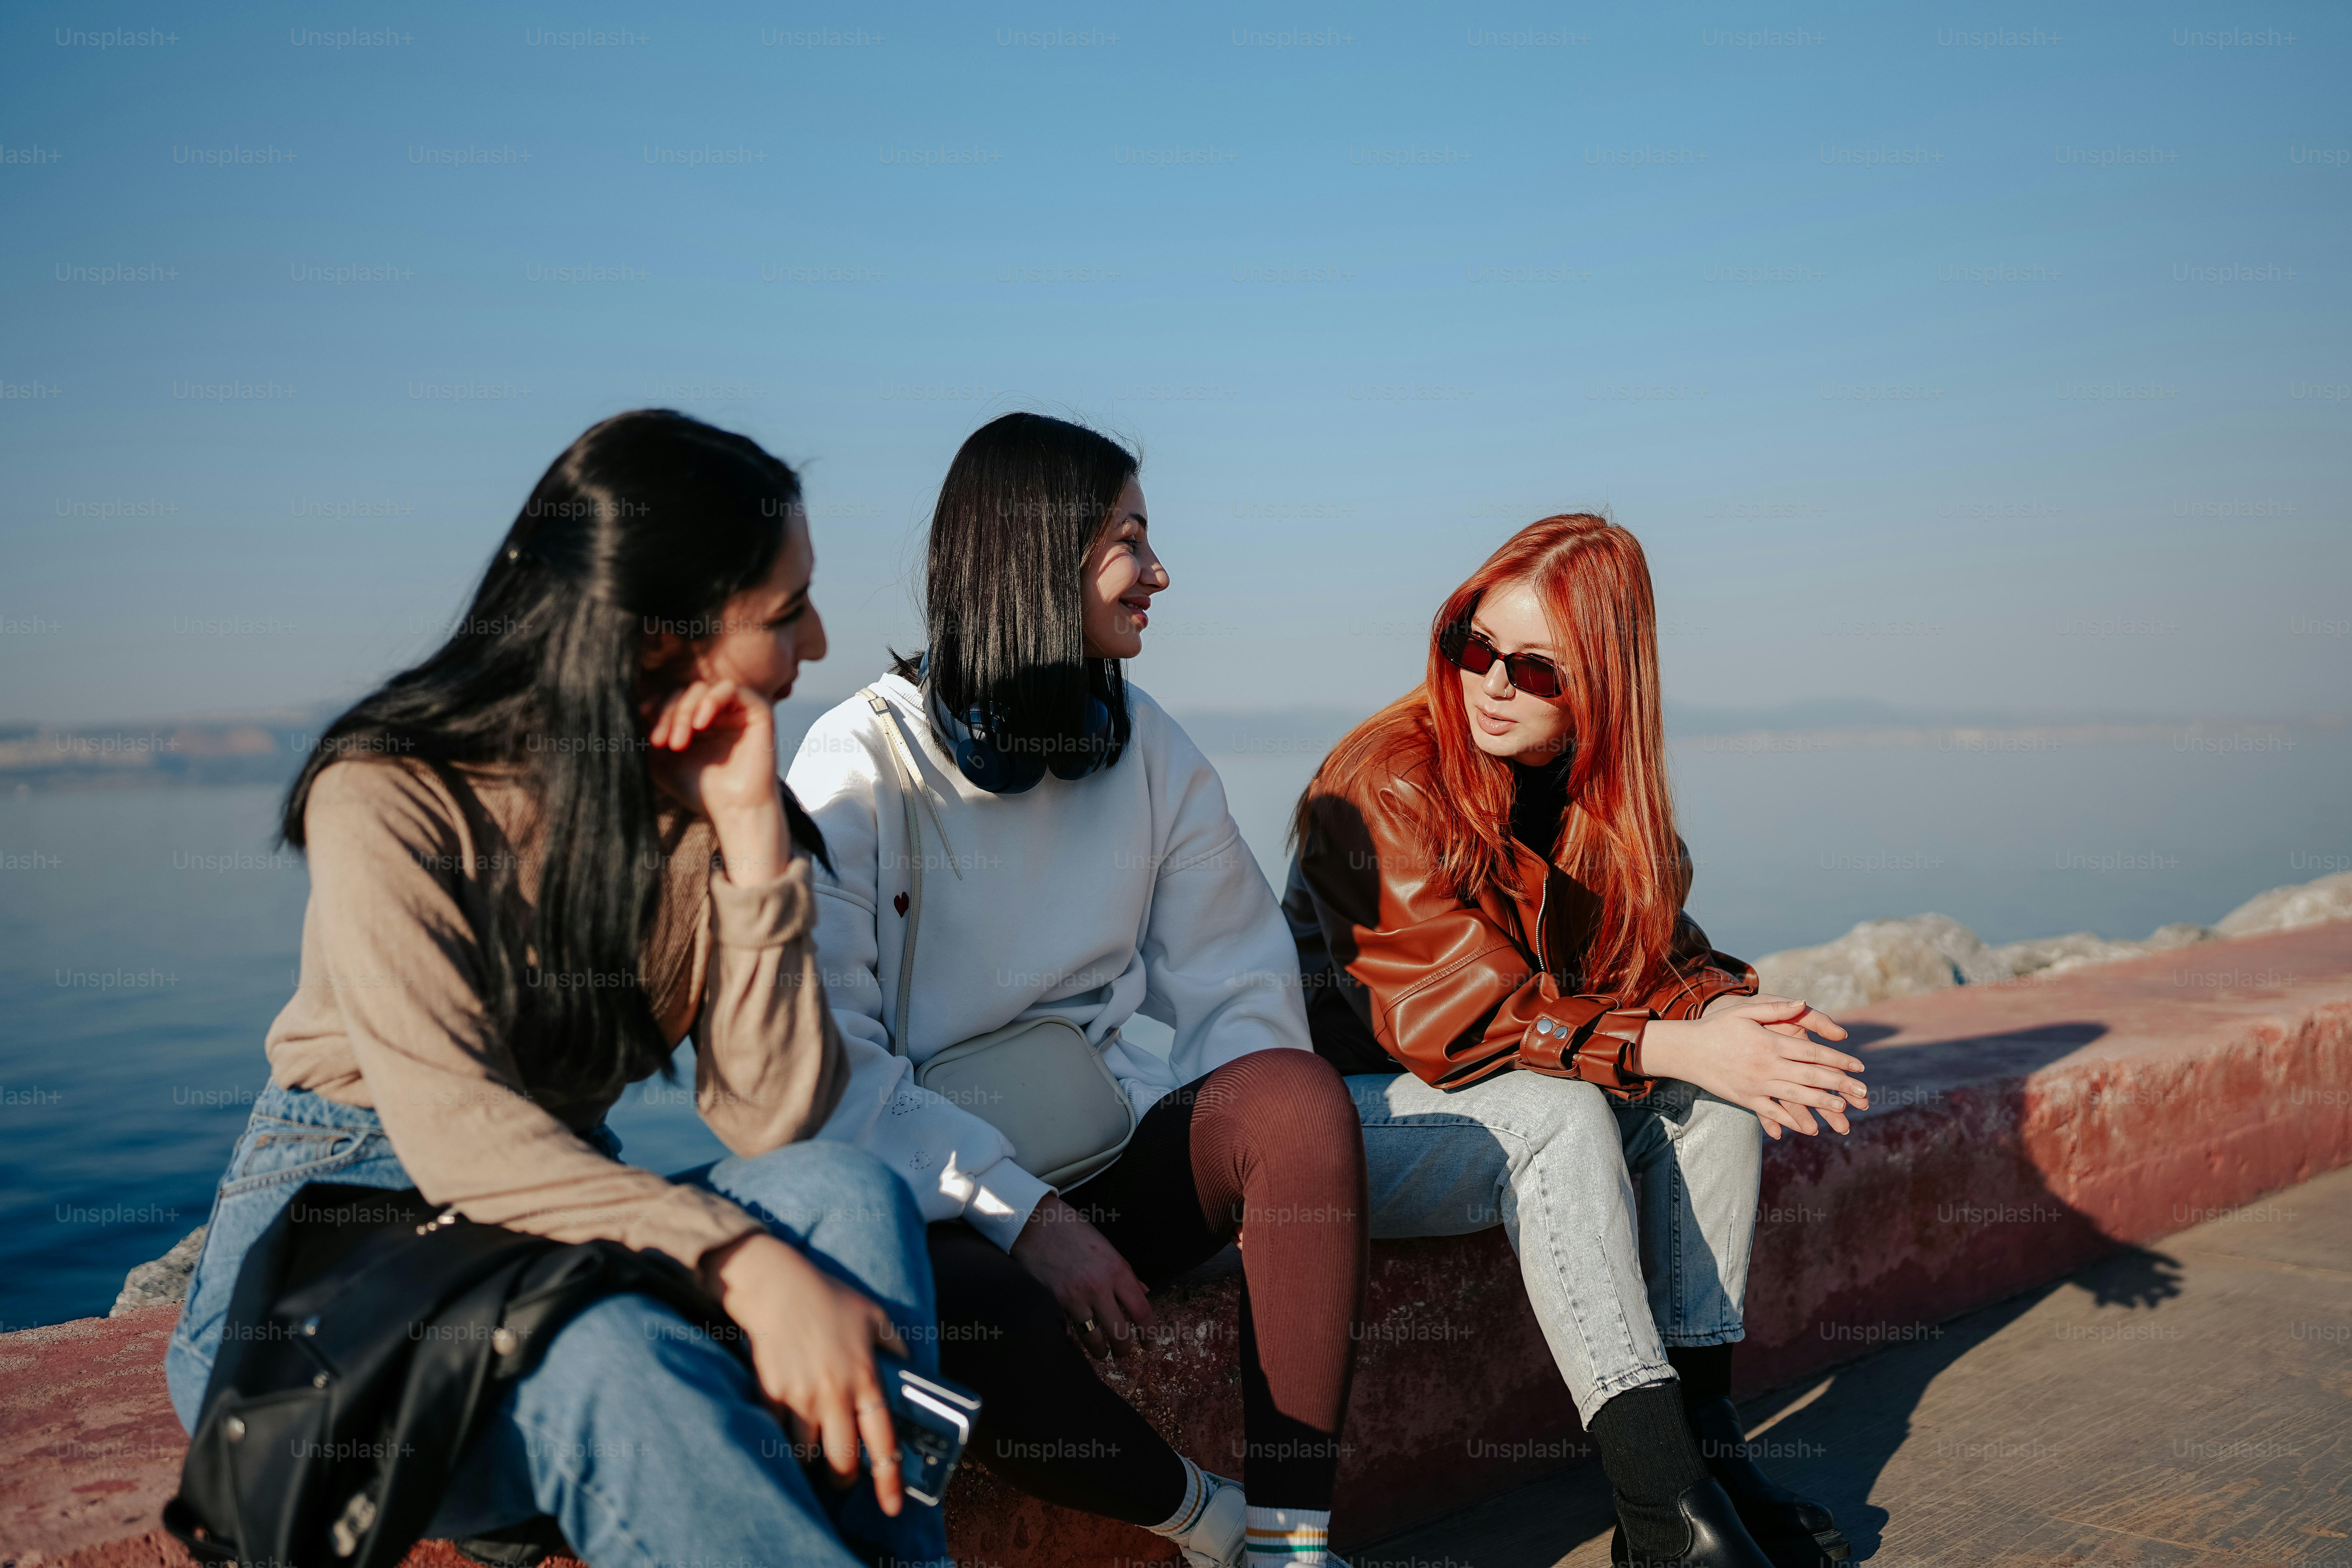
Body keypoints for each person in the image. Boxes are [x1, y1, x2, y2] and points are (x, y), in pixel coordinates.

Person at [164, 410, 949, 1568]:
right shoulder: (390, 797)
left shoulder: (697, 797)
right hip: (350, 1270)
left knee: (845, 1197)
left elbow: (768, 1118)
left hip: (555, 1226)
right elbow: (459, 1143)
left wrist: (745, 829)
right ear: (655, 640)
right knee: (615, 1351)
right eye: (786, 613)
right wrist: (737, 1259)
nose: (822, 640)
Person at [788, 412, 1367, 1568]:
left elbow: (1241, 986)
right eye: (1130, 541)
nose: (1159, 574)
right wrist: (1023, 1217)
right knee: (955, 1323)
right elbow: (827, 1068)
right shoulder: (857, 761)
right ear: (1037, 552)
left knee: (1299, 1102)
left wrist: (1264, 1199)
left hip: (1108, 1160)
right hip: (942, 1202)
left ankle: (1293, 1546)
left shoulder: (1147, 743)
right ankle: (1210, 1526)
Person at [1283, 514, 1869, 1568]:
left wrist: (1726, 1018)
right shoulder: (1384, 779)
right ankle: (1661, 1515)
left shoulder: (1604, 804)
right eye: (1476, 645)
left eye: (1537, 670)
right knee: (1559, 1113)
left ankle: (1707, 1453)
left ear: (1601, 686)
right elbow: (1456, 1018)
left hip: (1486, 1094)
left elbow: (1664, 967)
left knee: (1719, 1100)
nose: (1493, 683)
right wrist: (1671, 1044)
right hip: (1351, 1115)